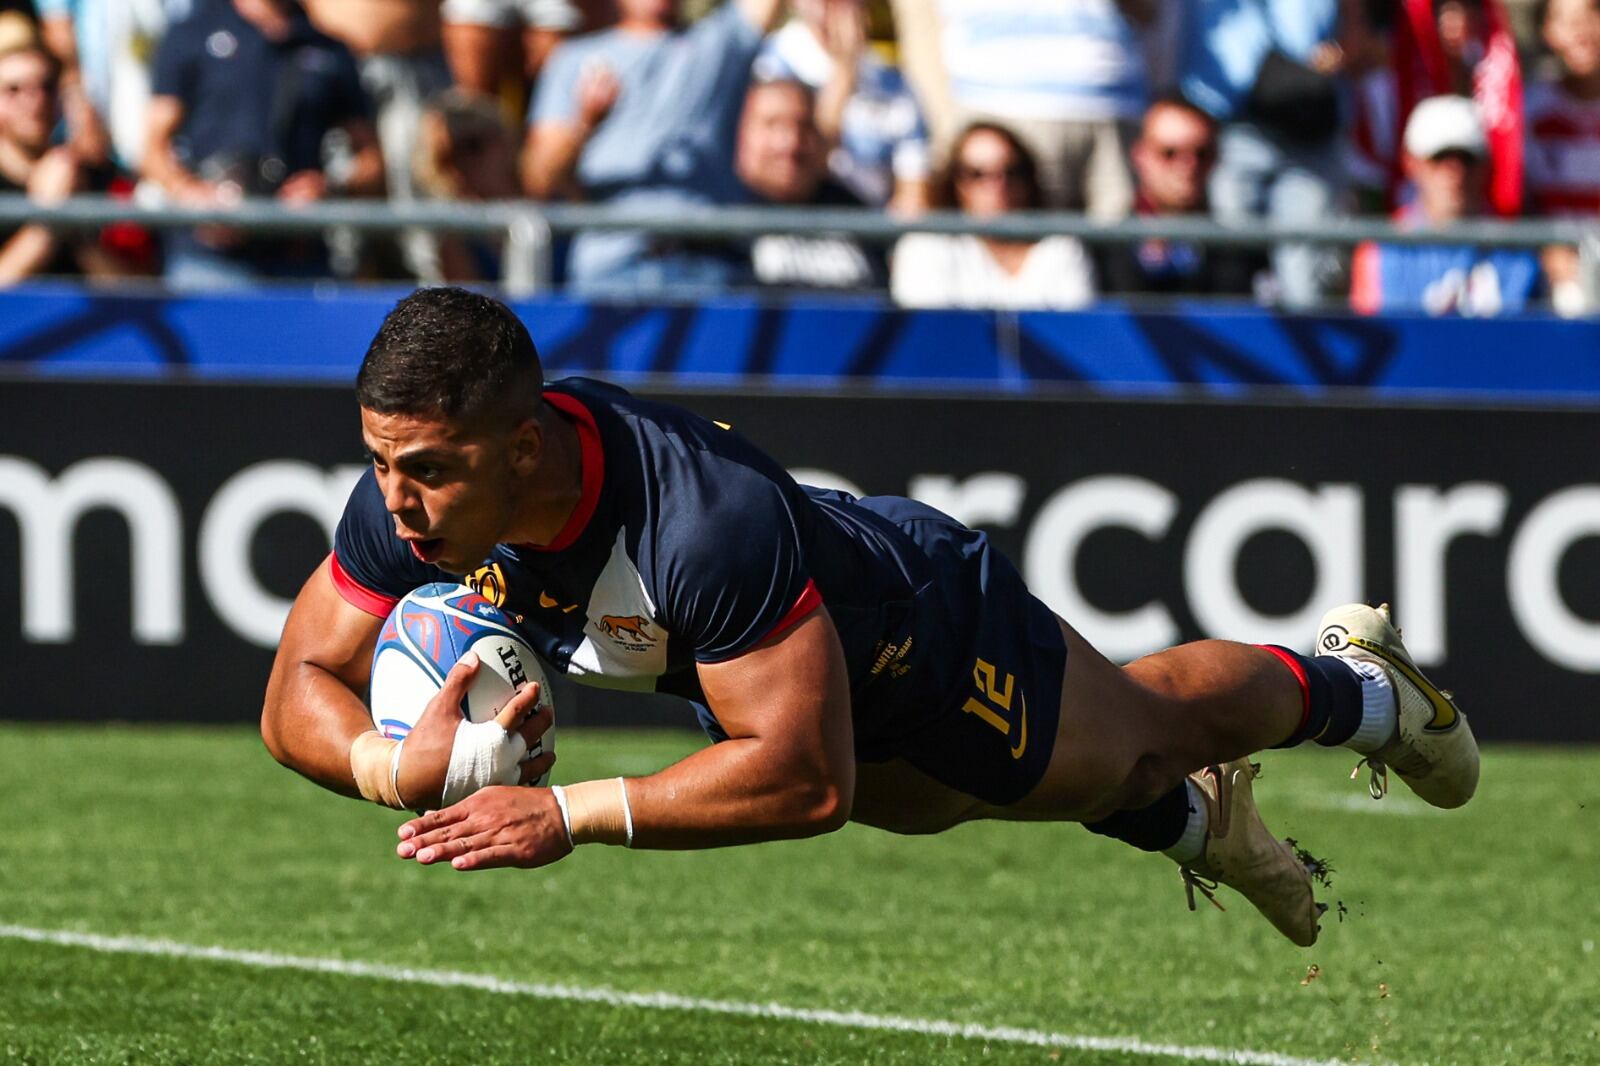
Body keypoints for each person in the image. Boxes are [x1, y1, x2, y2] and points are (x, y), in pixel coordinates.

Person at [260, 286, 1482, 949]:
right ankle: (1200, 826)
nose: (396, 504)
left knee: (1132, 737)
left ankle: (1357, 688)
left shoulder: (700, 521)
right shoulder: (412, 507)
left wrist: (564, 814)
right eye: (378, 463)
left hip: (923, 626)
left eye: (426, 468)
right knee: (924, 805)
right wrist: (386, 765)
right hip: (786, 672)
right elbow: (295, 687)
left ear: (521, 447)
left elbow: (800, 785)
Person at [521, 0, 787, 294]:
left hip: (712, 266)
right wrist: (586, 124)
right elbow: (539, 178)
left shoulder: (719, 42)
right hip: (612, 268)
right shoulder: (573, 59)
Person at [143, 0, 386, 289]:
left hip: (300, 257)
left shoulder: (330, 49)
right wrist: (192, 194)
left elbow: (372, 161)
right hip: (209, 257)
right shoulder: (192, 32)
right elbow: (152, 148)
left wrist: (330, 188)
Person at [890, 0, 1151, 219]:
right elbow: (919, 20)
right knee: (1026, 252)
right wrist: (939, 121)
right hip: (1000, 104)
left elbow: (1149, 12)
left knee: (1118, 258)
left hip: (1117, 105)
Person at [1180, 0, 1356, 308]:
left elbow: (1360, 34)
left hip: (1311, 130)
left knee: (1305, 281)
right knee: (1231, 265)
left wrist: (1341, 53)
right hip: (1235, 123)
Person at [1350, 94, 1542, 316]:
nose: (1455, 173)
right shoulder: (1380, 251)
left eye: (1466, 159)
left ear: (1485, 165)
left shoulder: (1517, 252)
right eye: (1439, 158)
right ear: (1411, 162)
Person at [0, 13, 142, 284]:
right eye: (14, 89)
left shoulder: (100, 179)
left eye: (46, 86)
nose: (34, 101)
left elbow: (140, 293)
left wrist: (77, 229)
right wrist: (47, 226)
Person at [891, 121, 1094, 310]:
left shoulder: (1061, 245)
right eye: (977, 174)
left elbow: (1077, 333)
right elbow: (929, 335)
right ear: (955, 182)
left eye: (1012, 172)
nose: (998, 185)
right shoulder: (924, 245)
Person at [753, 0, 930, 212]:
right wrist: (844, 74)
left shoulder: (894, 83)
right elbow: (804, 167)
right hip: (799, 218)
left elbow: (914, 192)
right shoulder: (769, 63)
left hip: (872, 229)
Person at [1095, 93, 1267, 299]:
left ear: (1216, 159)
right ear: (1140, 156)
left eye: (1201, 153)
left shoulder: (1240, 253)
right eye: (1169, 153)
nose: (1188, 166)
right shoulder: (1101, 246)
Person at [736, 77, 881, 291]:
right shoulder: (718, 220)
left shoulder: (855, 213)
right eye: (772, 124)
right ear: (740, 133)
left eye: (805, 126)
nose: (791, 144)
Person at [1527, 0, 1600, 315]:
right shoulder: (1530, 110)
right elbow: (1519, 202)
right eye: (1565, 20)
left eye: (1593, 13)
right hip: (1558, 286)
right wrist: (1546, 250)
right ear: (1546, 31)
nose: (1581, 32)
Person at [411, 90, 522, 283]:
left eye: (474, 145)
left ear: (504, 141)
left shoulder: (546, 194)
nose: (464, 164)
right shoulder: (452, 238)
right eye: (448, 157)